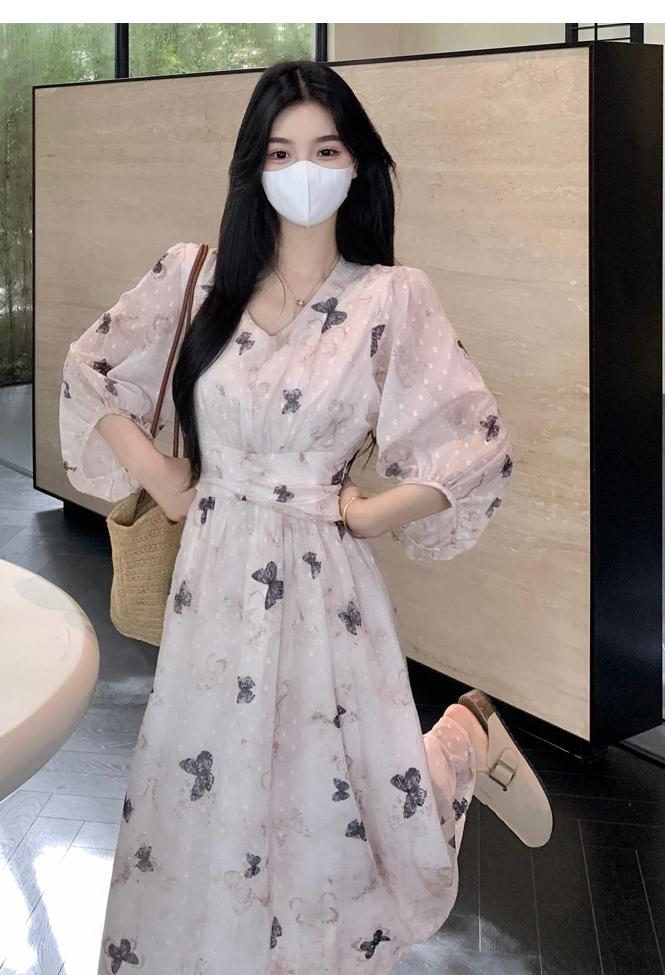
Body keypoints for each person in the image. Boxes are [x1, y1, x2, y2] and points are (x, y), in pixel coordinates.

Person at [59, 58, 553, 975]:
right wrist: (166, 480)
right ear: (255, 167)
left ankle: (461, 742)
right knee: (206, 796)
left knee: (335, 806)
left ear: (358, 163)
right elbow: (89, 371)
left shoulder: (389, 299)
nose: (304, 170)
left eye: (326, 149)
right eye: (281, 152)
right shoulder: (198, 278)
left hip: (328, 590)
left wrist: (373, 513)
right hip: (213, 586)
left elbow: (476, 446)